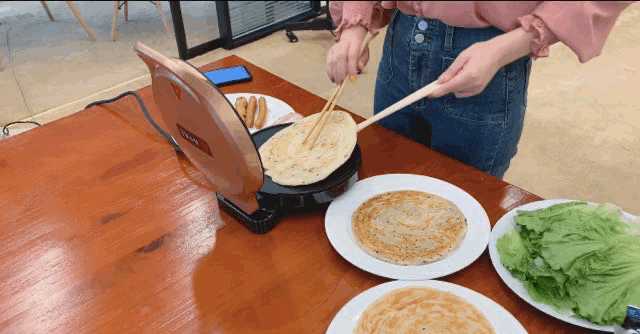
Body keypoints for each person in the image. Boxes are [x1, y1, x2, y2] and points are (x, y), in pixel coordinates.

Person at [327, 1, 632, 178]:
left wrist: (505, 49)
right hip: (402, 36)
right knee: (383, 181)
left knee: (463, 207)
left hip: (490, 52)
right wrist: (356, 21)